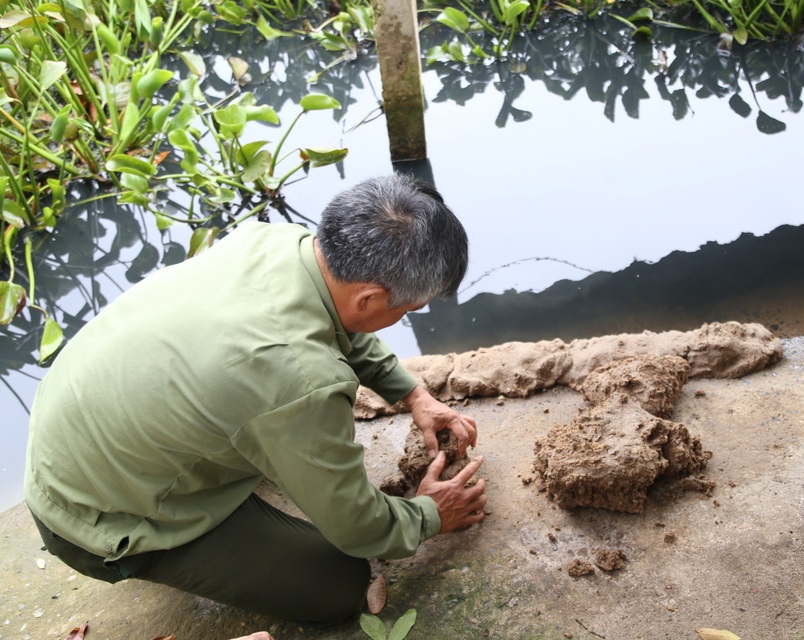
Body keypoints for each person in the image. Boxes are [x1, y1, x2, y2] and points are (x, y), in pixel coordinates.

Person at [23, 174, 488, 625]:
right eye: (407, 308)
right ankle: (140, 550)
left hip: (74, 429)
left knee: (263, 422)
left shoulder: (274, 242)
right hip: (94, 511)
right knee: (340, 585)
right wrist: (429, 513)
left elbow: (339, 321)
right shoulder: (300, 381)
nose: (407, 315)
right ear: (370, 298)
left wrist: (412, 393)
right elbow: (359, 527)